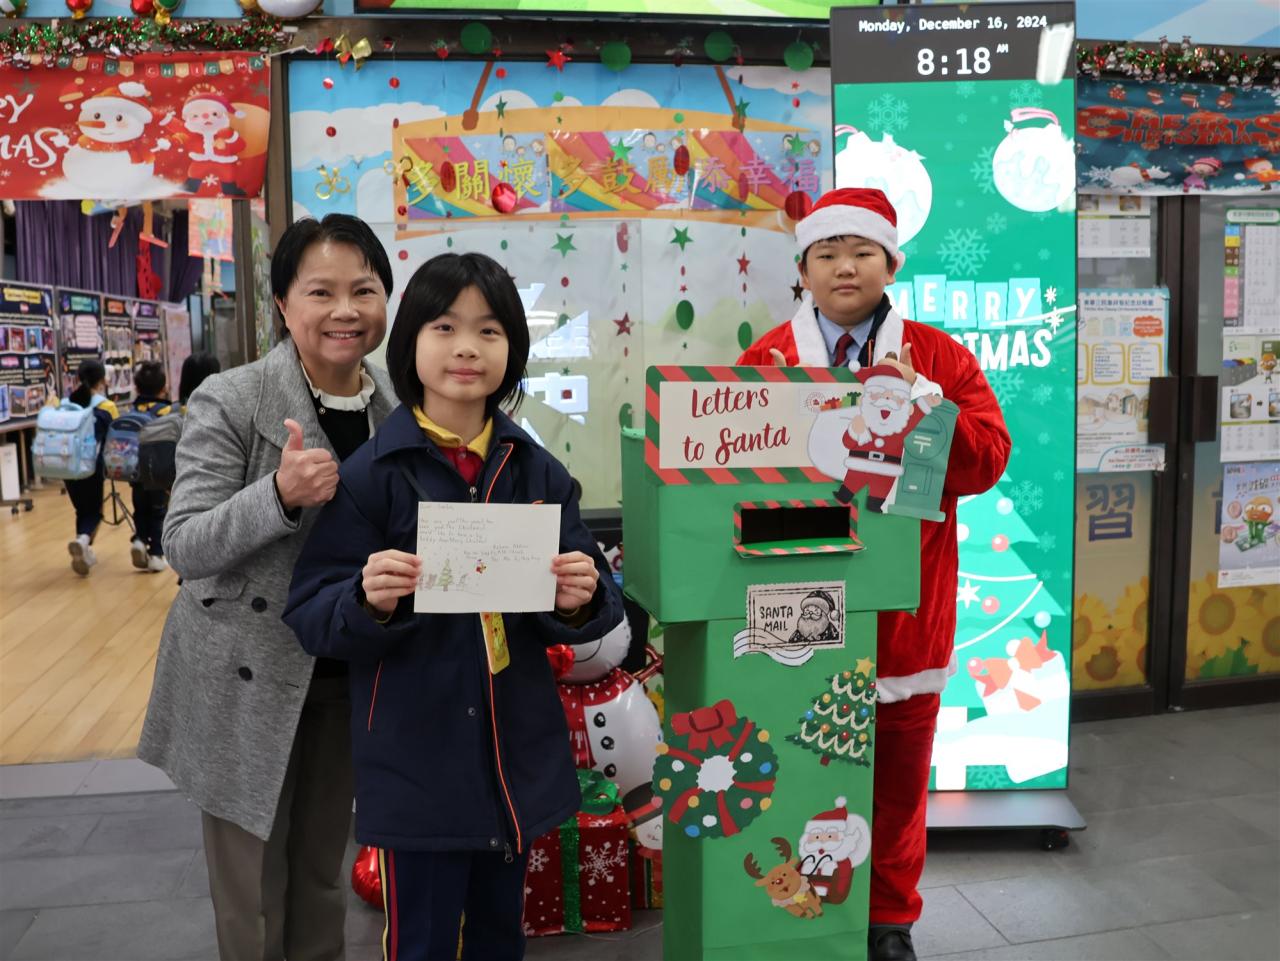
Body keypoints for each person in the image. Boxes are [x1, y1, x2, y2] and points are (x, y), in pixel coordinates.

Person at [282, 251, 624, 961]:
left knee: (502, 937)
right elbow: (311, 611)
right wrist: (367, 600)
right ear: (410, 342)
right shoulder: (372, 475)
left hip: (512, 757)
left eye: (488, 330)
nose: (467, 347)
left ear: (513, 350)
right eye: (444, 327)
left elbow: (597, 600)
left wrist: (581, 597)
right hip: (417, 761)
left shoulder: (538, 472)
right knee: (424, 942)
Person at [737, 187, 1010, 961]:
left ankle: (889, 917)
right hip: (796, 602)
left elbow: (988, 460)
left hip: (905, 612)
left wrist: (922, 407)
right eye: (827, 253)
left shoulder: (940, 356)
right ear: (803, 270)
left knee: (896, 782)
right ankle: (797, 912)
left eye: (862, 252)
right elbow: (733, 481)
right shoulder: (766, 359)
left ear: (892, 264)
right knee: (797, 766)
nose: (845, 267)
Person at [137, 214, 398, 961]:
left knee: (322, 875)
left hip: (345, 669)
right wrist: (277, 496)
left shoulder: (395, 405)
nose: (345, 310)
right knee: (251, 895)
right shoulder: (233, 396)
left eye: (364, 290)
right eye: (321, 291)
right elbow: (184, 542)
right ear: (283, 304)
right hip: (245, 674)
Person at [64, 358, 119, 576]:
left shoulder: (67, 403)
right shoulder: (107, 407)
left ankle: (84, 552)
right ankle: (83, 540)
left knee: (81, 509)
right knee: (94, 512)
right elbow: (116, 440)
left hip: (66, 466)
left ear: (78, 378)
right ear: (103, 380)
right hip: (91, 467)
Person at [129, 360, 173, 573]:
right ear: (163, 388)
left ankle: (139, 539)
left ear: (137, 389)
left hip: (135, 472)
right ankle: (156, 554)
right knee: (158, 511)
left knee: (140, 509)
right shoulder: (167, 411)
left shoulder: (133, 410)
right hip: (158, 472)